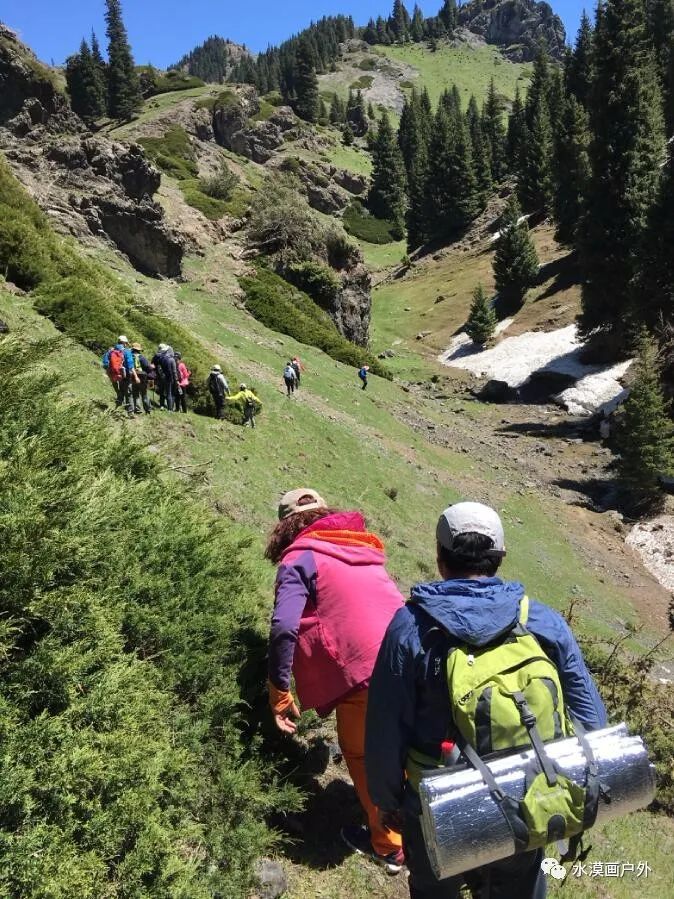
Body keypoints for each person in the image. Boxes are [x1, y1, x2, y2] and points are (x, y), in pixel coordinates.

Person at [365, 501, 608, 899]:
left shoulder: (411, 627)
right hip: (525, 794)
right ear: (500, 557)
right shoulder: (539, 620)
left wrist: (387, 799)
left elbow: (385, 727)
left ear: (440, 557)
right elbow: (593, 720)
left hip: (436, 803)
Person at [265, 489, 405, 873]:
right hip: (411, 660)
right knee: (406, 749)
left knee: (363, 754)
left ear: (285, 528)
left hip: (365, 674)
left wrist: (279, 689)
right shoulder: (363, 549)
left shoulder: (299, 557)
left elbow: (283, 627)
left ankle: (390, 847)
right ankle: (429, 828)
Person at [102, 335, 135, 416]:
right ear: (124, 343)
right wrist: (134, 375)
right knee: (128, 393)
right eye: (126, 343)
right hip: (125, 375)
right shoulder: (127, 351)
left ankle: (117, 409)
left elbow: (105, 363)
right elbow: (130, 364)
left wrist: (112, 371)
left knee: (120, 392)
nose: (126, 344)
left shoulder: (111, 351)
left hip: (115, 375)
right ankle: (130, 412)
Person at [152, 344, 178, 412]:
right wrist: (176, 380)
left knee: (162, 392)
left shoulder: (158, 358)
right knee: (169, 393)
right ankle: (170, 409)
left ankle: (162, 406)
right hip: (168, 378)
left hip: (160, 377)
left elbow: (155, 366)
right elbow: (174, 371)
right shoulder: (171, 359)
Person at [130, 342, 153, 414]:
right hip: (143, 377)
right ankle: (148, 409)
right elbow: (148, 368)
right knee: (144, 394)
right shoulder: (142, 358)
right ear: (139, 350)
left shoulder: (130, 357)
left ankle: (138, 409)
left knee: (135, 393)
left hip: (133, 376)